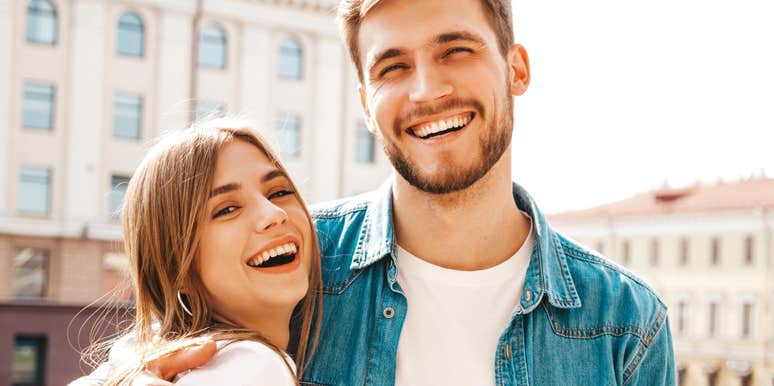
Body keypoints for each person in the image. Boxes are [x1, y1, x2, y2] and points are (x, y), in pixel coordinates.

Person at [73, 0, 676, 385]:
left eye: (455, 50)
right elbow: (147, 360)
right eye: (392, 67)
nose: (427, 89)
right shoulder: (294, 267)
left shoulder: (624, 322)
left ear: (515, 68)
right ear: (365, 102)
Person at [77, 120, 322, 385]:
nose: (275, 214)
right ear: (175, 268)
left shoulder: (147, 361)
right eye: (227, 209)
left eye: (279, 192)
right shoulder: (254, 366)